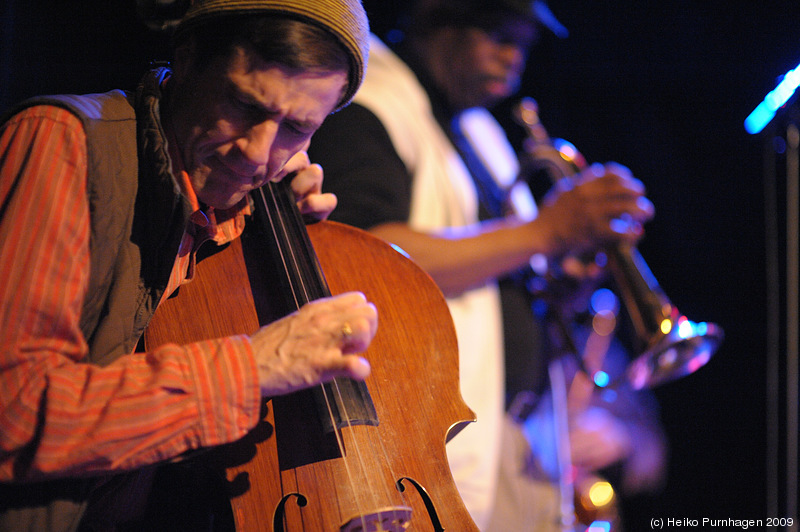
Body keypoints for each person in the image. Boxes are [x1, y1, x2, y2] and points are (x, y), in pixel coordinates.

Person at [0, 0, 377, 530]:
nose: (258, 153)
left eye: (296, 127)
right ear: (188, 56)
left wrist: (254, 228)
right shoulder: (62, 142)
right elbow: (14, 413)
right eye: (245, 105)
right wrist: (252, 367)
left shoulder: (236, 215)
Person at [307, 0, 667, 529]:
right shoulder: (370, 107)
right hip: (431, 440)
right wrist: (546, 231)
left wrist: (557, 278)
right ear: (438, 22)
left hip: (518, 434)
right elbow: (368, 256)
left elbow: (496, 266)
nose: (512, 56)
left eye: (522, 43)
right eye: (498, 34)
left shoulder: (479, 131)